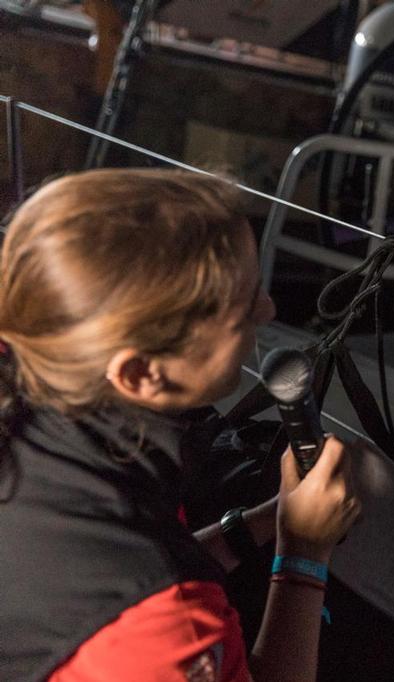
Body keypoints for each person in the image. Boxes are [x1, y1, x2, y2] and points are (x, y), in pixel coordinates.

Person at [0, 168, 361, 681]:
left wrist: (268, 521)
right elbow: (134, 592)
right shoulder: (160, 627)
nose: (269, 308)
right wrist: (303, 555)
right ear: (140, 372)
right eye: (241, 311)